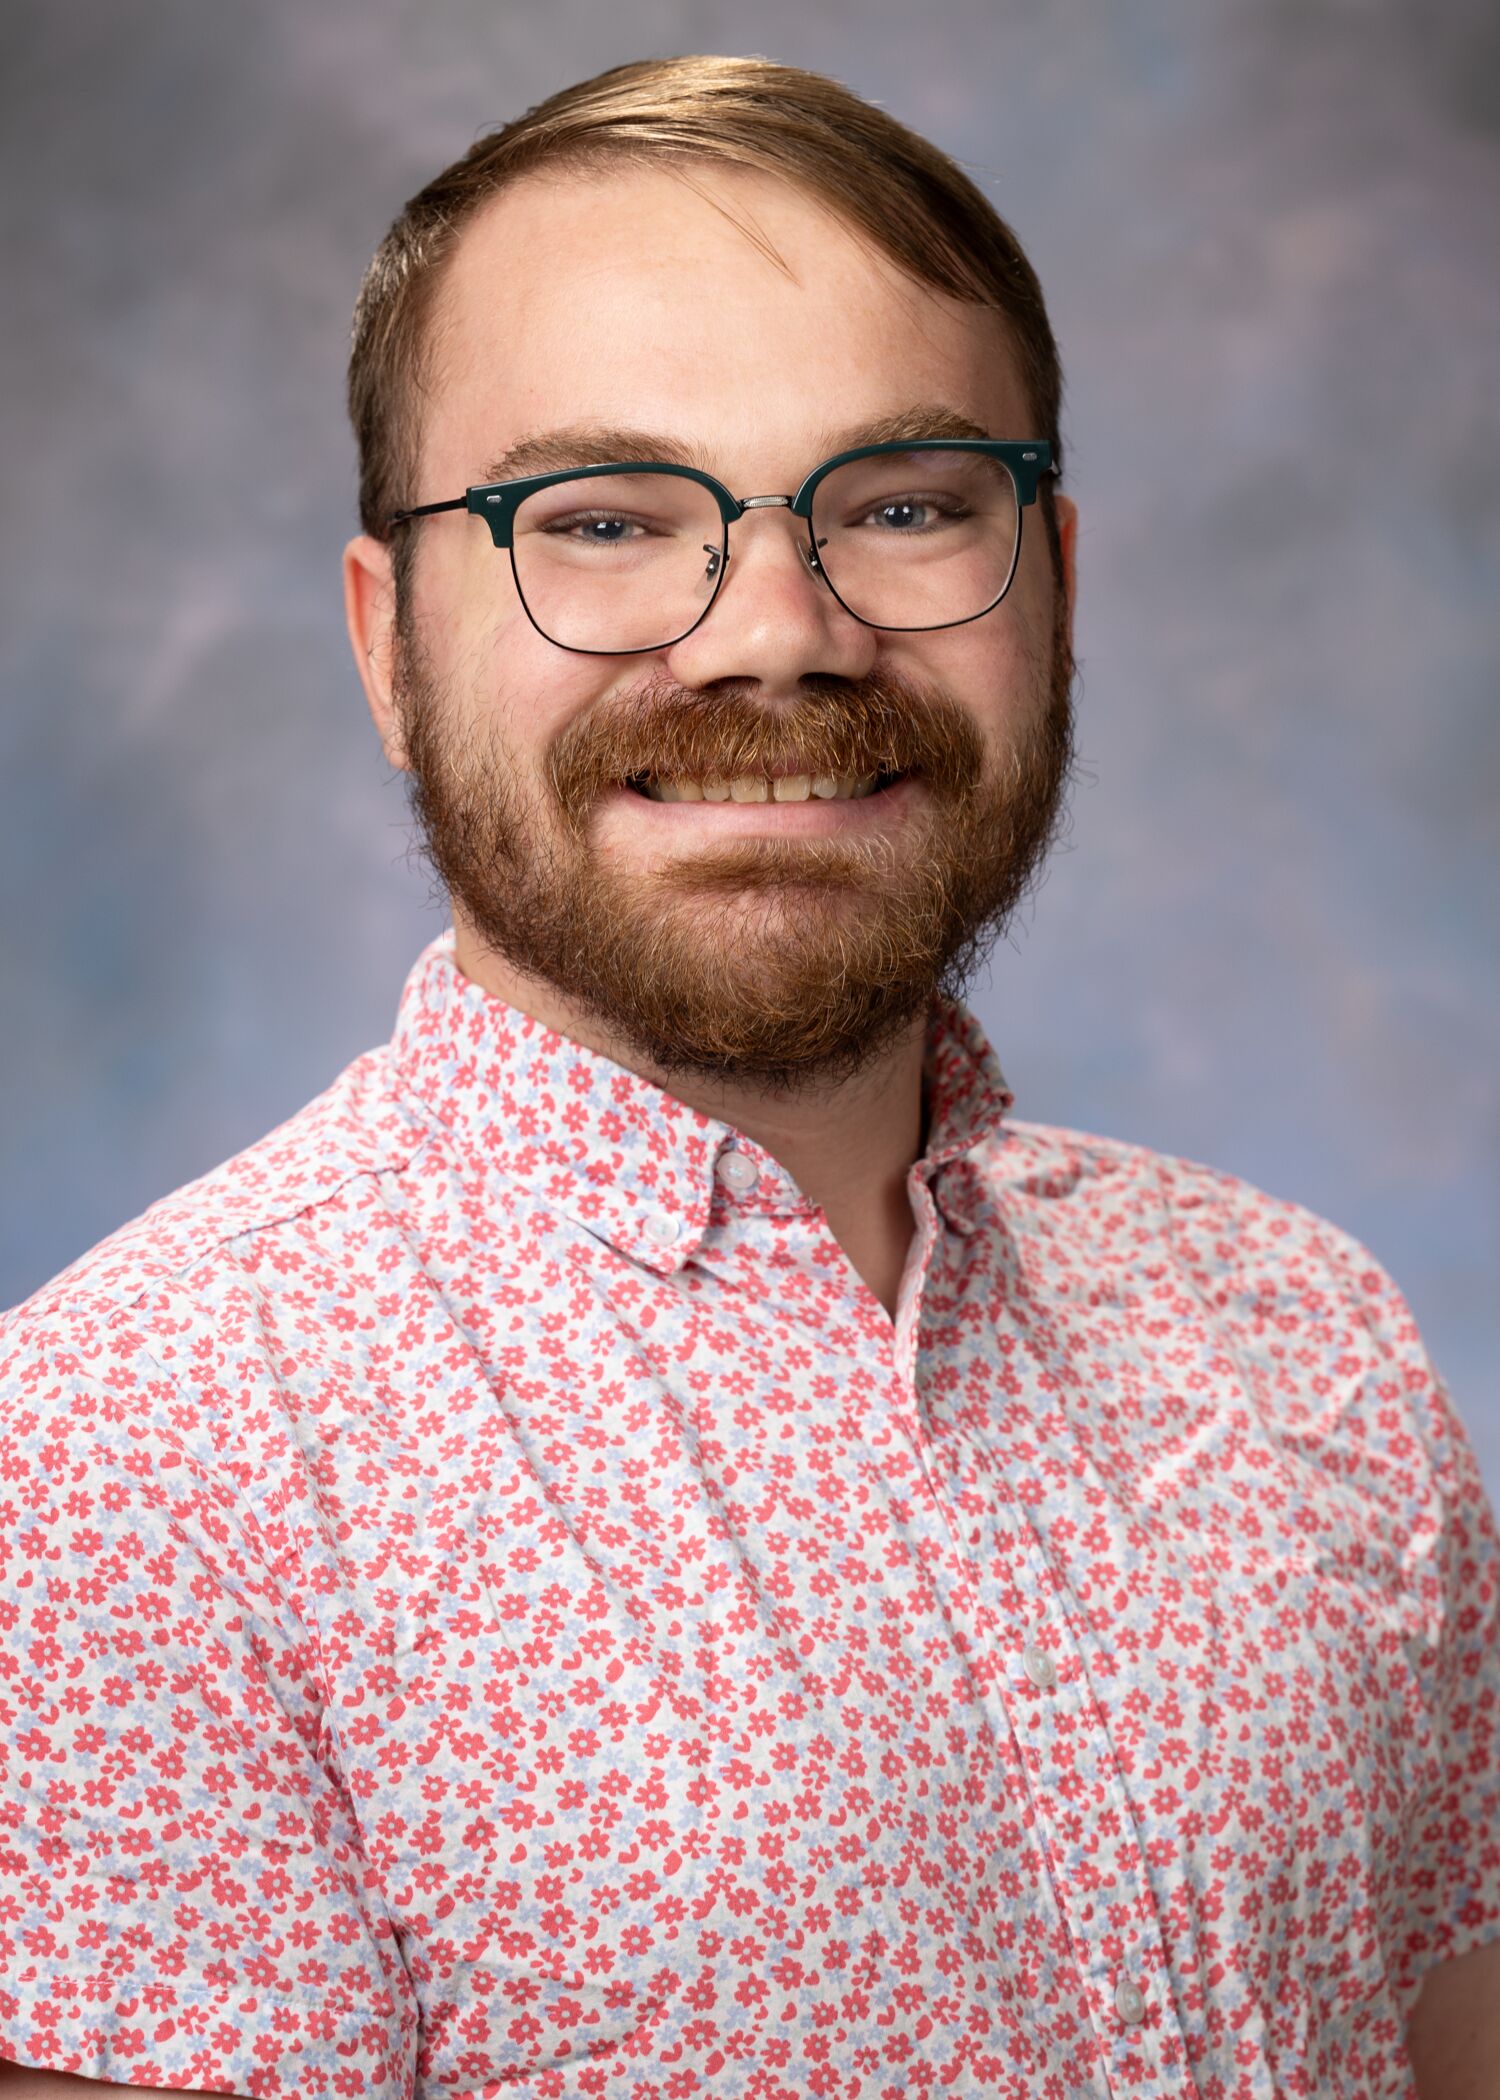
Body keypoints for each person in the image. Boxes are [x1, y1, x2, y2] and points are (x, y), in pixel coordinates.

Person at [0, 53, 1494, 2100]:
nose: (774, 635)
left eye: (904, 506)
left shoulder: (1311, 1340)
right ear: (387, 646)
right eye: (604, 520)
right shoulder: (119, 1479)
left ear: (1056, 593)